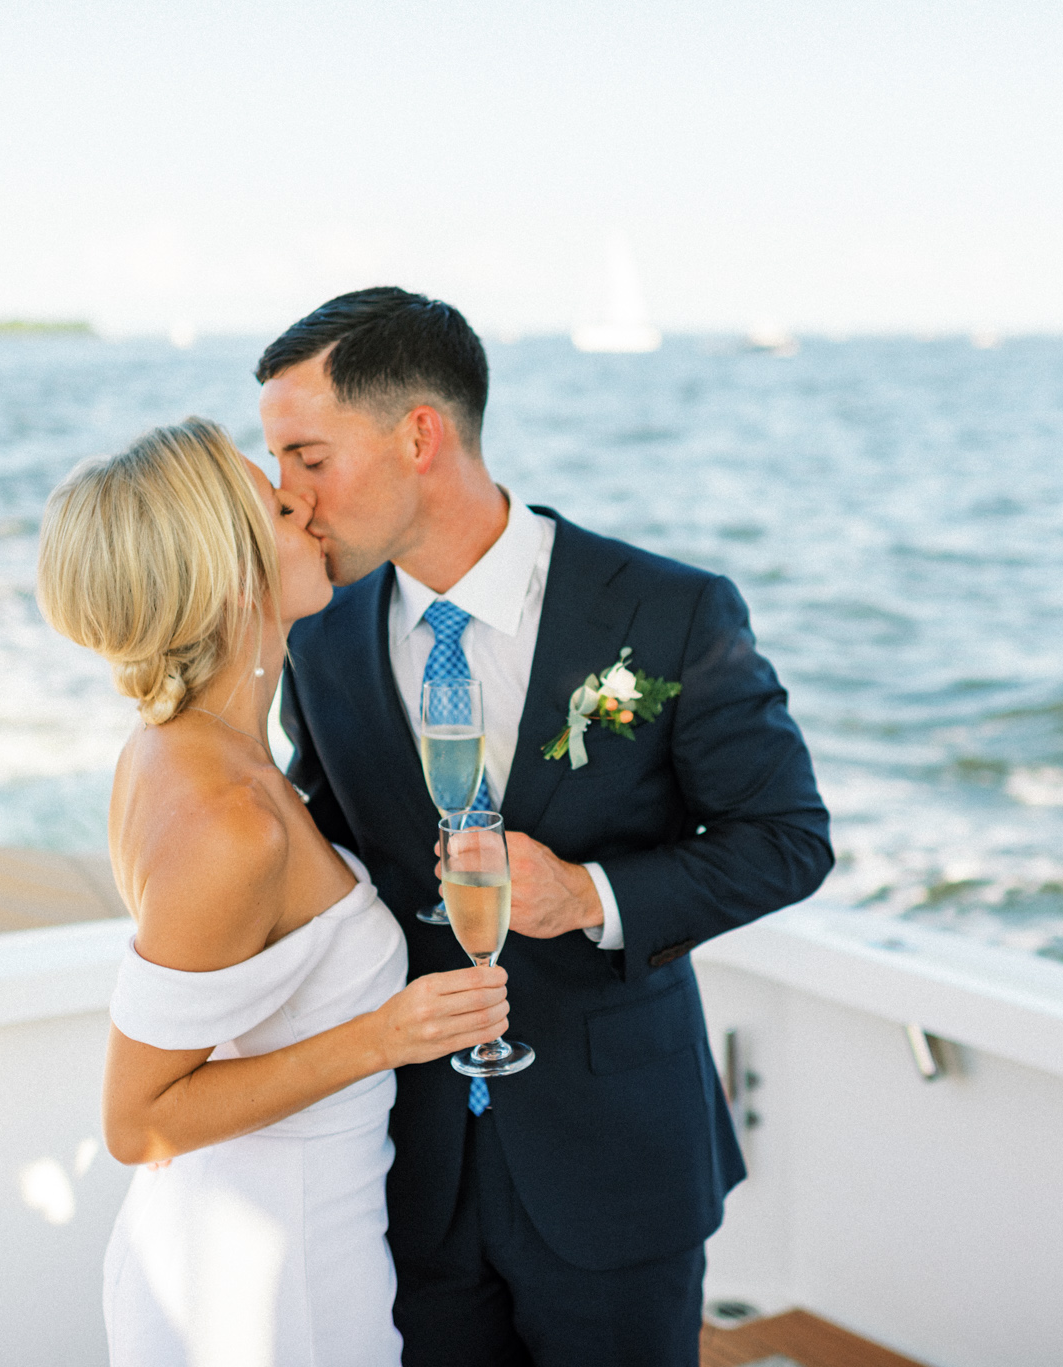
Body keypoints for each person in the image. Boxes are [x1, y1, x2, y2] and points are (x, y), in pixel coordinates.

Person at [263, 289, 834, 1366]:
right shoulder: (320, 630)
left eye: (306, 456)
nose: (286, 499)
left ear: (417, 436)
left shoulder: (668, 612)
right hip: (405, 1163)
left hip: (615, 1158)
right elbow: (325, 840)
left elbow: (787, 836)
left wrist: (591, 895)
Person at [36, 417, 510, 1367]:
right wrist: (388, 1034)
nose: (309, 510)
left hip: (279, 1234)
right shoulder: (229, 820)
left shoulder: (173, 745)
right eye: (278, 506)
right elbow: (139, 1121)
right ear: (226, 573)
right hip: (260, 1283)